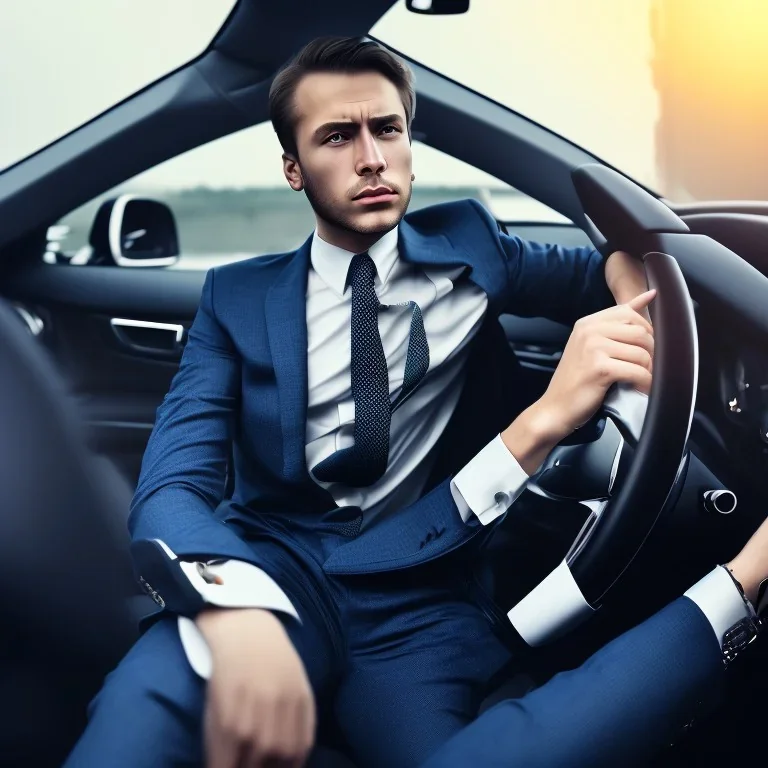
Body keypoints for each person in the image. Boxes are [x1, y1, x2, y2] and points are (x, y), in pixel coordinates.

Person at [64, 36, 765, 768]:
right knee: (133, 731)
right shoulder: (236, 297)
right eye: (337, 136)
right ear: (293, 169)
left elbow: (613, 262)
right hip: (274, 567)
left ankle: (740, 588)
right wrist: (231, 604)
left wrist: (631, 317)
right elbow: (171, 487)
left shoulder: (476, 246)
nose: (371, 157)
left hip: (421, 595)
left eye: (387, 129)